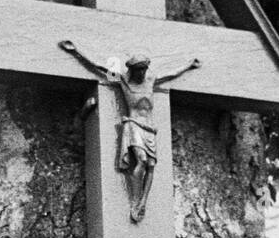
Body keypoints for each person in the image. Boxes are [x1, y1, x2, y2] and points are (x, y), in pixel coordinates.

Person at [58, 40, 201, 222]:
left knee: (151, 165)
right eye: (138, 70)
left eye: (144, 70)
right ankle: (134, 200)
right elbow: (98, 66)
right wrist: (76, 51)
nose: (142, 73)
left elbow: (172, 74)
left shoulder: (151, 80)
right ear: (132, 70)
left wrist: (189, 65)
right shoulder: (122, 80)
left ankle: (142, 202)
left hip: (150, 129)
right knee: (140, 160)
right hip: (133, 125)